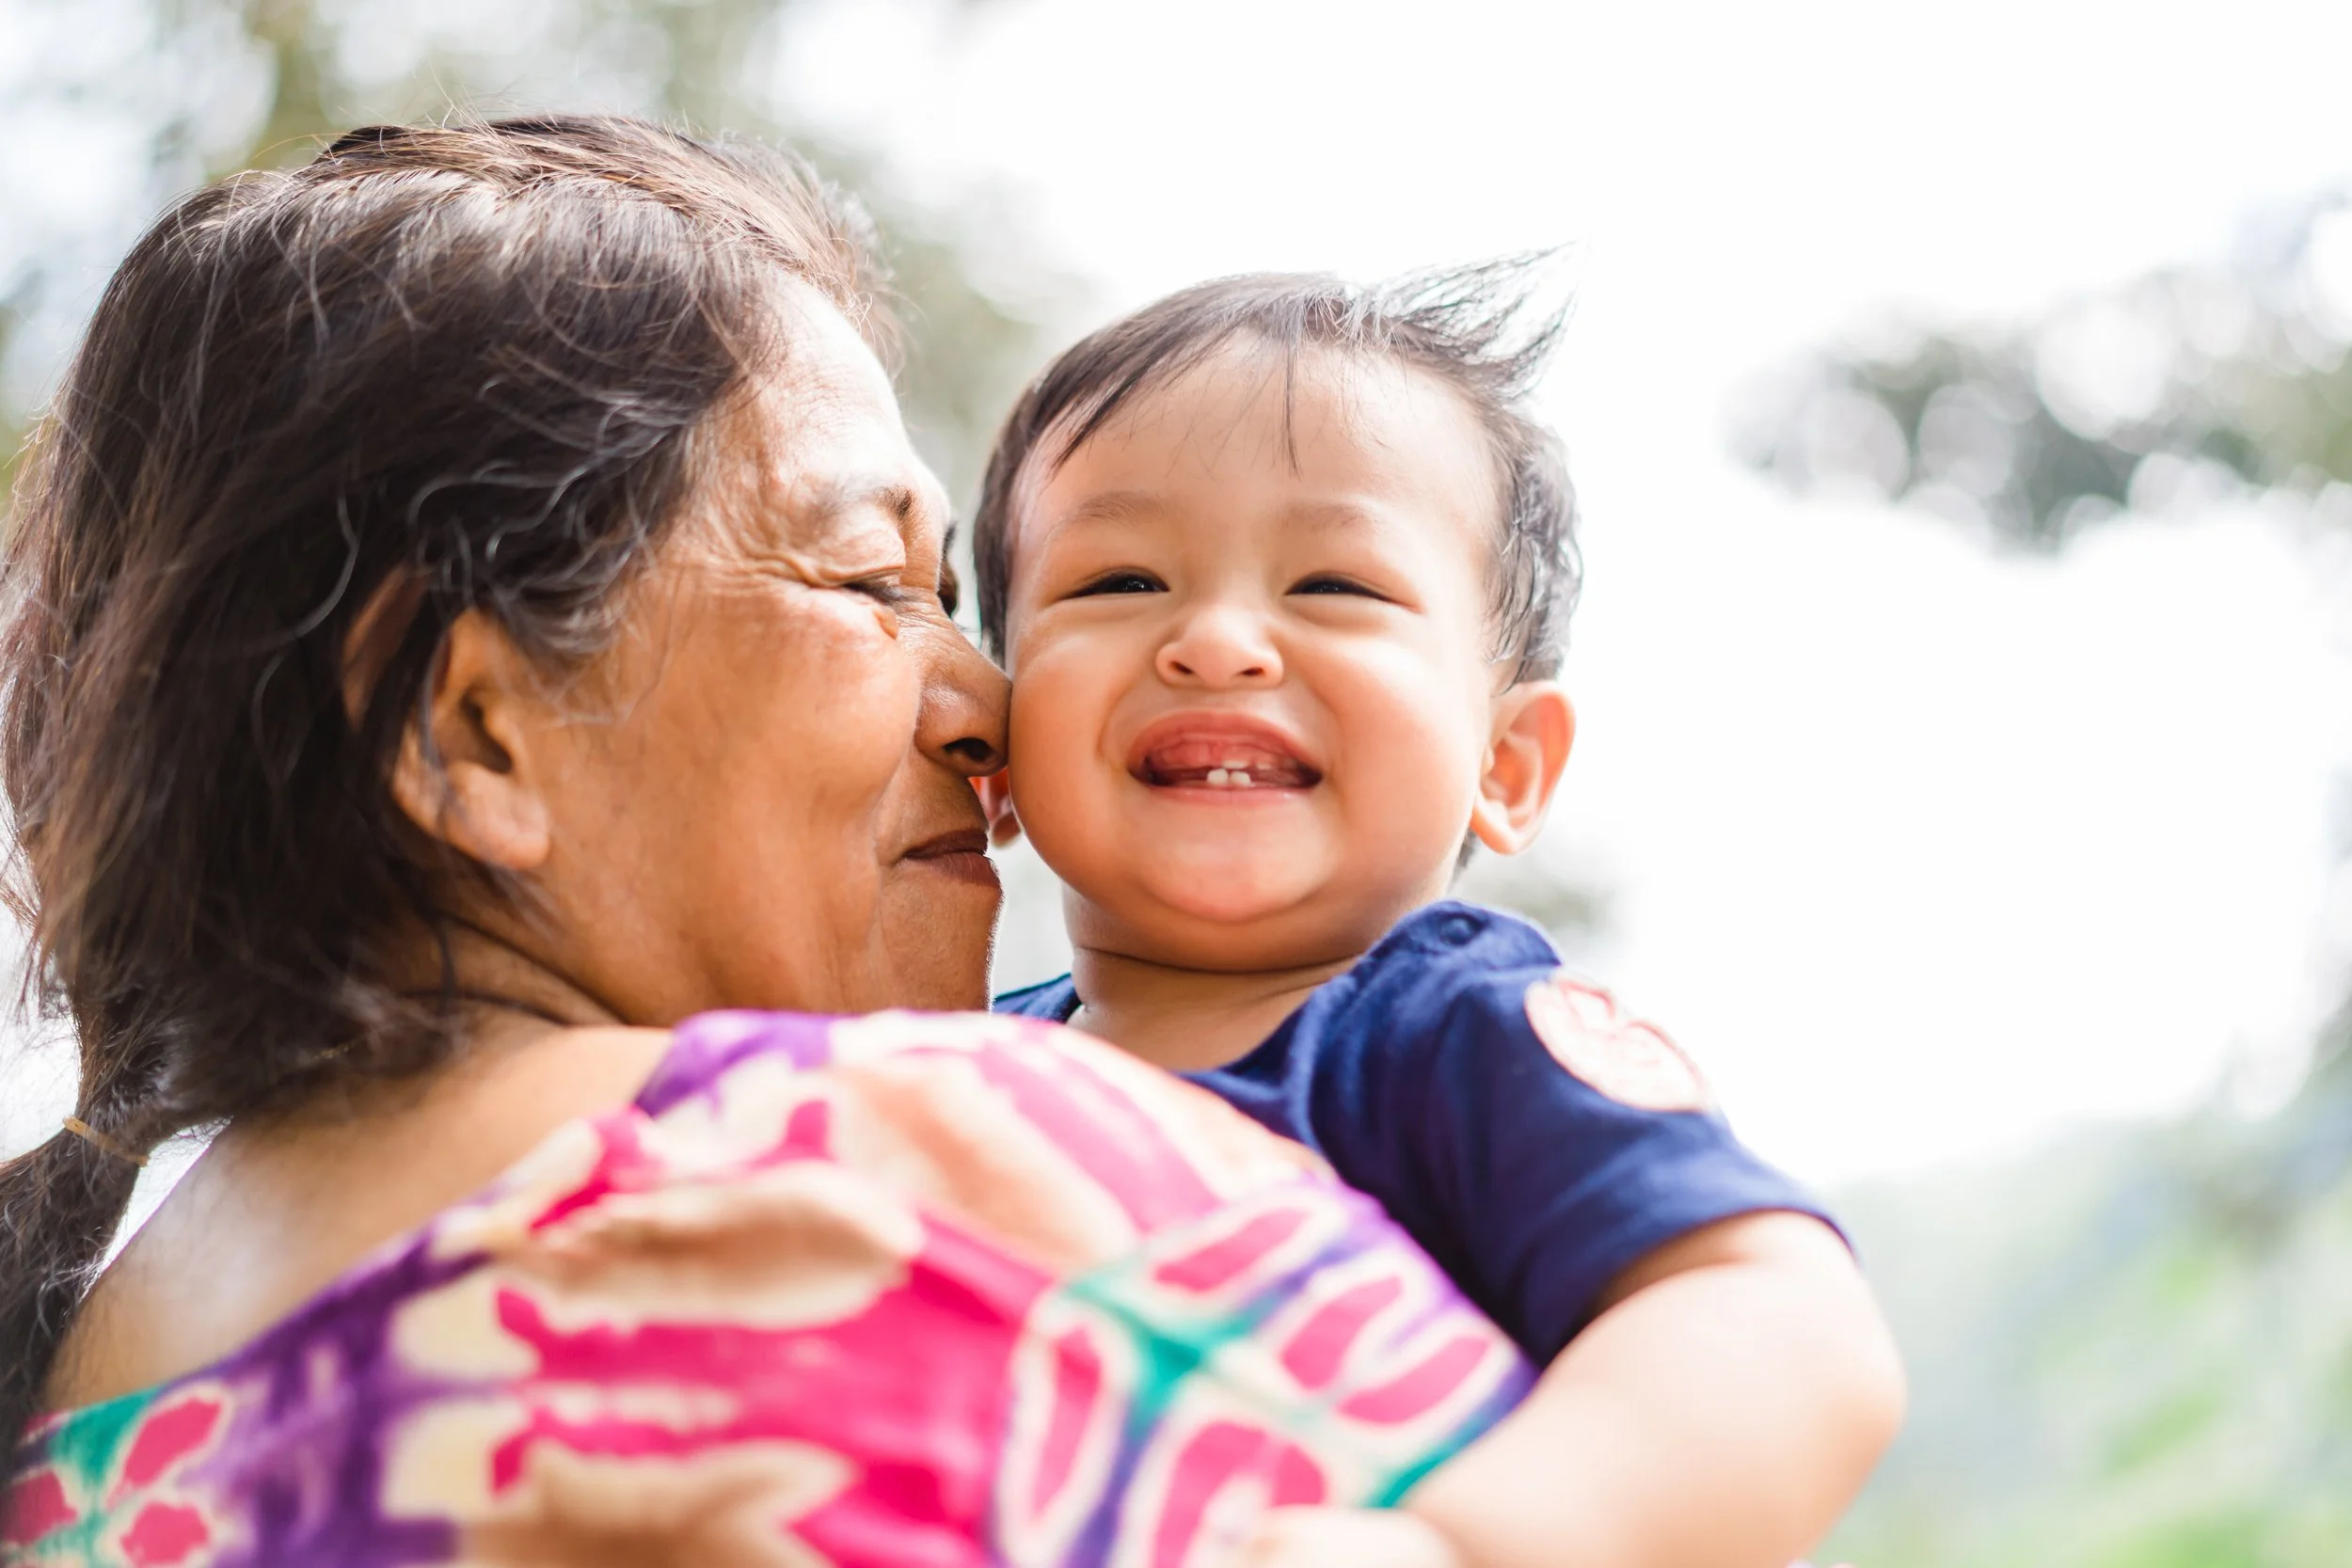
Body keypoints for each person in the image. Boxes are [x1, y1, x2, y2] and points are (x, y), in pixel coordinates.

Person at [0, 119, 1574, 1568]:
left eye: (956, 601)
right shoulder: (933, 1172)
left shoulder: (69, 1421)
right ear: (462, 731)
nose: (988, 704)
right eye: (871, 583)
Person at [974, 265, 1908, 1565]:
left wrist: (1457, 1547)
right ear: (995, 746)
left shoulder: (1455, 1034)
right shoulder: (939, 1066)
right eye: (1121, 579)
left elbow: (1784, 1325)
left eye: (1336, 586)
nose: (1219, 641)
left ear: (1505, 763)